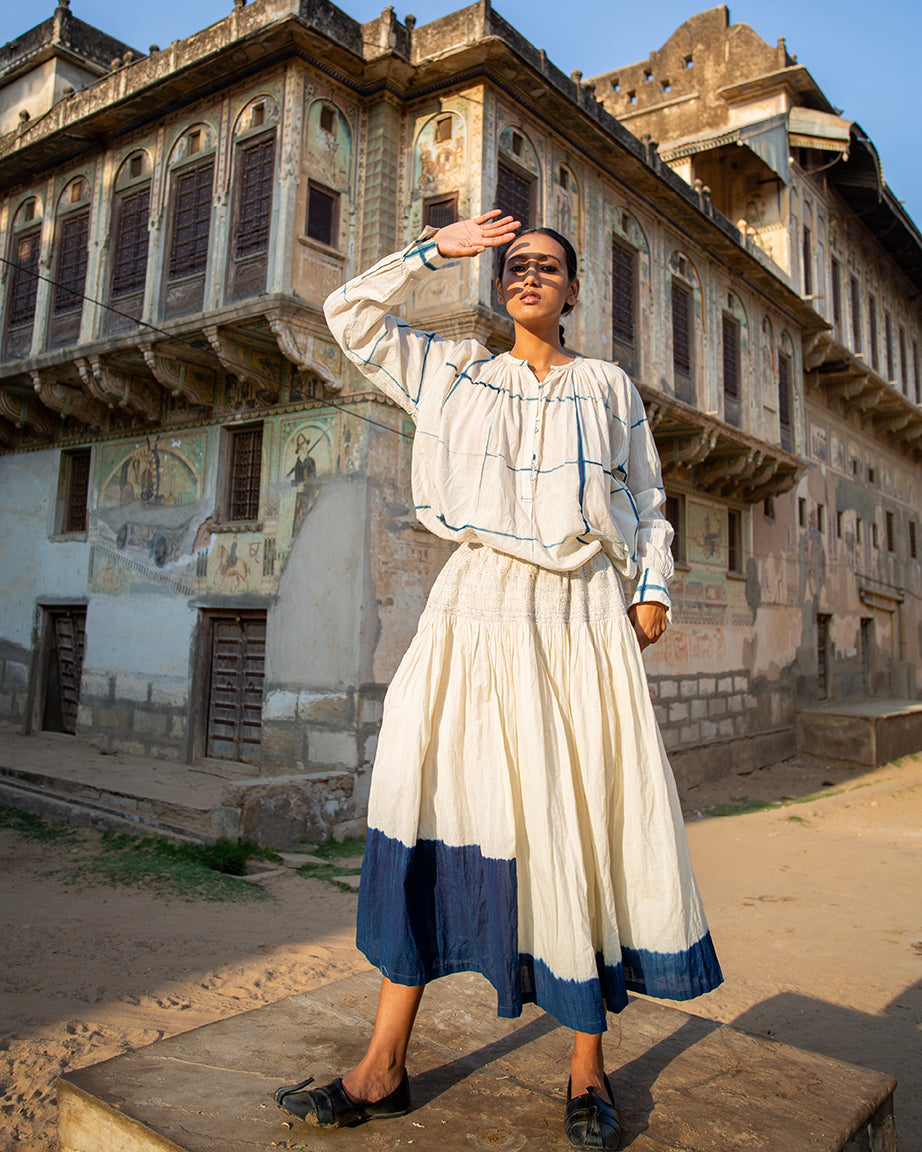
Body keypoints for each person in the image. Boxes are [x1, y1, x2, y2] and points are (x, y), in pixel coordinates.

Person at [274, 212, 723, 1150]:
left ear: (572, 289)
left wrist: (652, 589)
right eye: (514, 265)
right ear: (498, 281)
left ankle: (586, 1071)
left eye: (545, 267)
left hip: (581, 612)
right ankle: (385, 1063)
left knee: (581, 814)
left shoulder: (607, 386)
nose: (526, 275)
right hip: (475, 599)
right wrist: (442, 249)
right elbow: (347, 312)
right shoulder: (450, 369)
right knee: (436, 799)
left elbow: (645, 495)